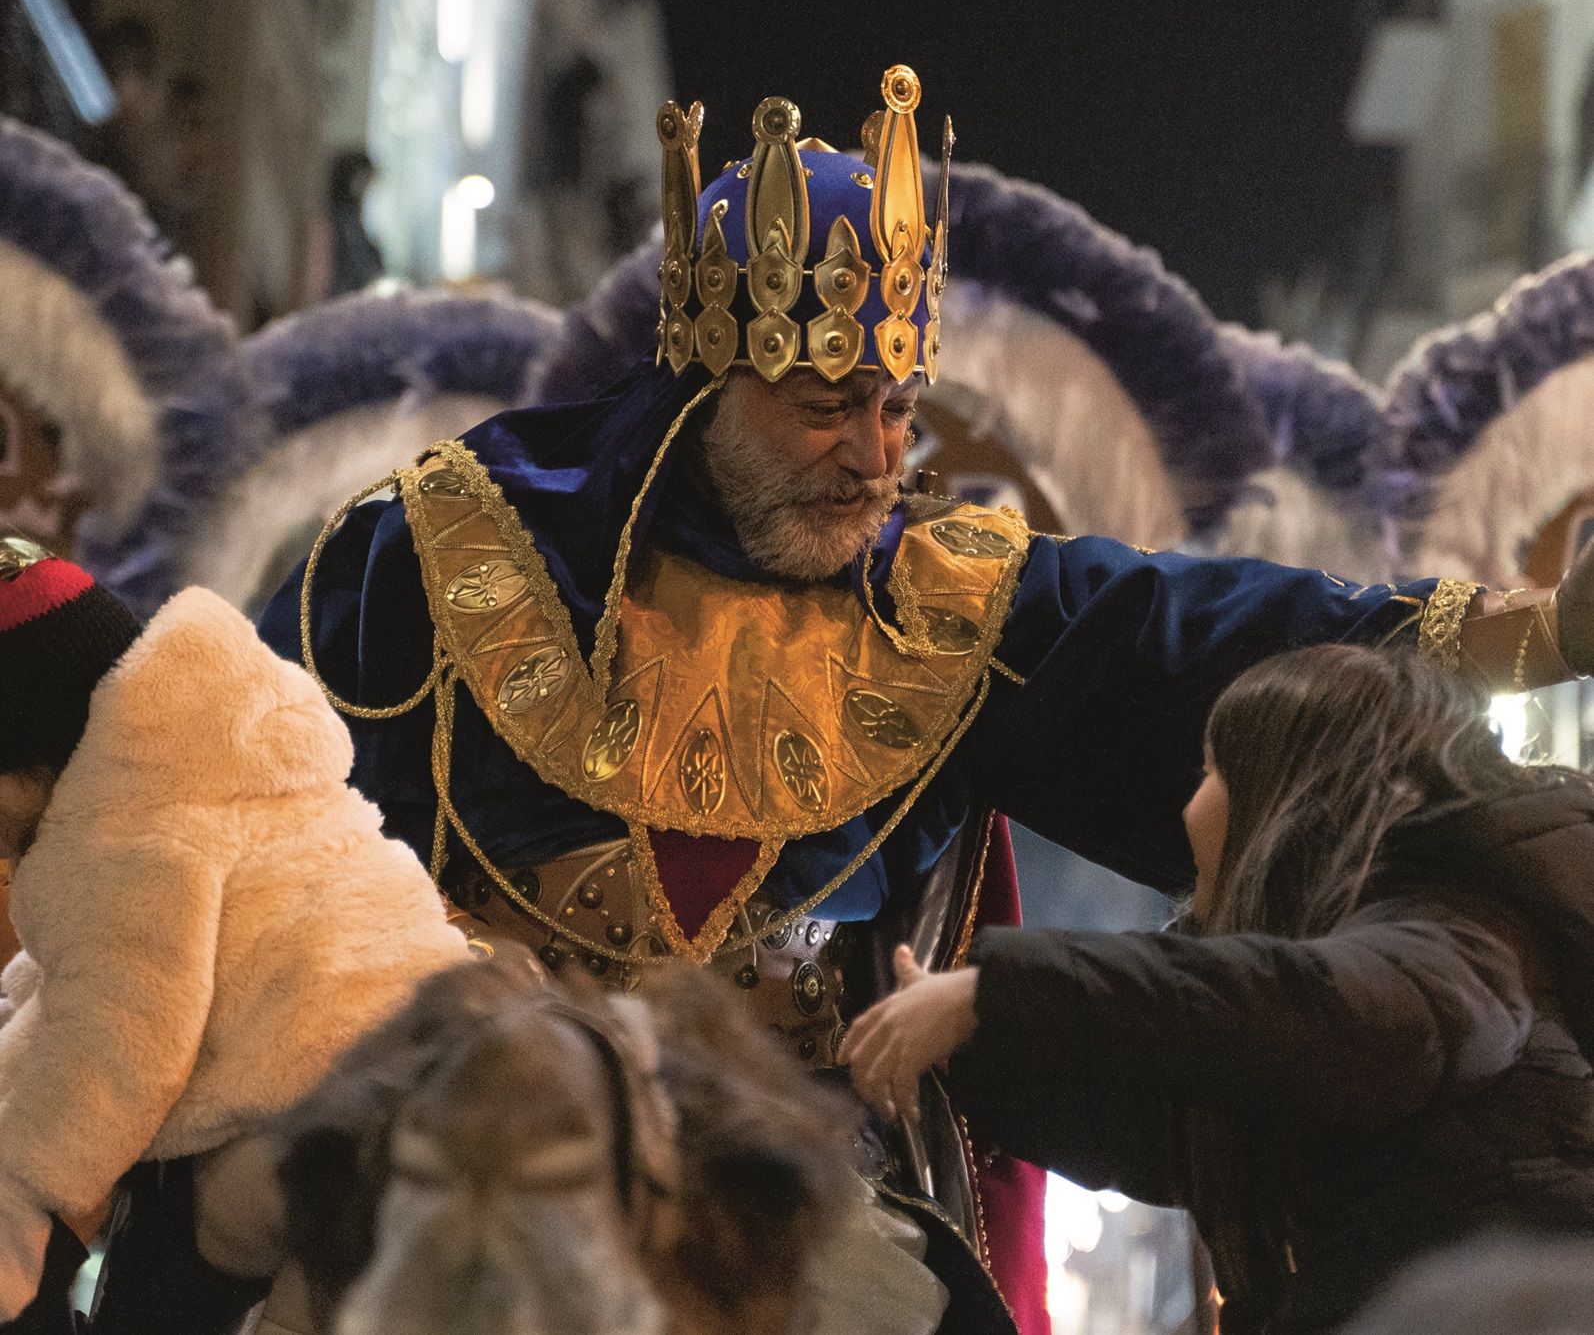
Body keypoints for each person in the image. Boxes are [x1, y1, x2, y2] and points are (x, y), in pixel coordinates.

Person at [263, 65, 1594, 1335]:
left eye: (897, 407)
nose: (874, 454)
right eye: (826, 405)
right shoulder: (427, 565)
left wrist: (1526, 633)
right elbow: (248, 805)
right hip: (467, 1159)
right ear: (700, 389)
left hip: (791, 1213)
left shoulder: (945, 609)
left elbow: (1194, 631)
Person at [842, 644, 1594, 1334]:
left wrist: (996, 992)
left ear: (1287, 797)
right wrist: (966, 1044)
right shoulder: (1287, 1015)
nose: (1187, 808)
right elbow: (1158, 1121)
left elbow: (1348, 1020)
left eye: (1212, 772)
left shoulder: (1462, 923)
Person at [0, 537, 469, 1331]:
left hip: (314, 1133)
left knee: (148, 1295)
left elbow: (118, 1051)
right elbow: (85, 979)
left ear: (27, 762)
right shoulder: (198, 750)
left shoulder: (128, 845)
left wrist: (16, 1193)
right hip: (432, 1066)